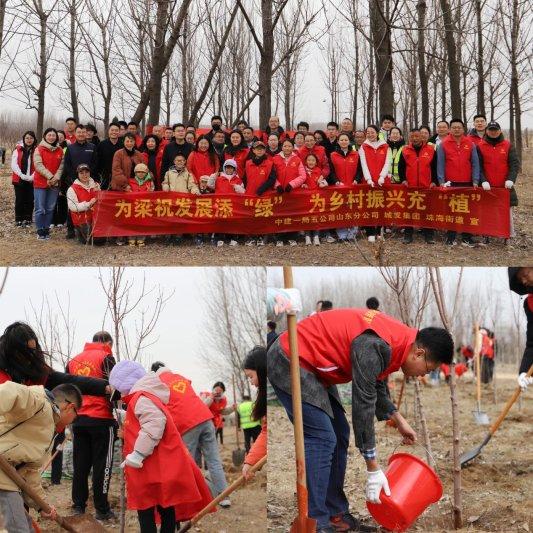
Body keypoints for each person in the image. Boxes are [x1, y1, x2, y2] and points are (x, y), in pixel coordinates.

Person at [267, 308, 454, 532]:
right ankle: (316, 521)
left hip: (313, 365)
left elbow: (375, 382)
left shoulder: (400, 342)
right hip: (290, 357)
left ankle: (335, 514)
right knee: (322, 437)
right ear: (419, 353)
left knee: (339, 432)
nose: (424, 375)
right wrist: (373, 468)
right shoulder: (376, 345)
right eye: (428, 369)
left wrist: (397, 417)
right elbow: (363, 402)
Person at [109, 361, 213, 532]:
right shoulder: (146, 397)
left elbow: (154, 423)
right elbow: (147, 418)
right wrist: (126, 415)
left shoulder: (140, 398)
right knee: (166, 506)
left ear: (125, 383)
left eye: (118, 388)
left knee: (147, 510)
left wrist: (138, 454)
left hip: (149, 468)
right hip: (158, 466)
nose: (118, 393)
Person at [0, 381, 81, 532]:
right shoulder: (39, 402)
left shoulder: (49, 428)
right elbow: (8, 390)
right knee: (19, 529)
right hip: (3, 478)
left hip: (9, 478)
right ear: (70, 407)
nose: (73, 421)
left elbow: (30, 471)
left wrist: (40, 505)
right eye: (76, 416)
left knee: (27, 528)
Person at [150, 362, 232, 508]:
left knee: (189, 463)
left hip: (187, 424)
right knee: (214, 460)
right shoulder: (179, 377)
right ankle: (224, 497)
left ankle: (196, 499)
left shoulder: (157, 383)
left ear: (153, 373)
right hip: (205, 418)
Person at [66, 331, 117, 521]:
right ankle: (102, 510)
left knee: (81, 465)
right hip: (101, 418)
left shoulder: (74, 360)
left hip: (78, 419)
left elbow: (67, 387)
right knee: (102, 466)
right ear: (107, 342)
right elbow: (114, 386)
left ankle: (78, 506)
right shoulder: (106, 357)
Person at [436, 118, 480, 247]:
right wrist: (441, 181)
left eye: (459, 127)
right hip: (451, 183)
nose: (456, 129)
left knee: (467, 210)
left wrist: (475, 180)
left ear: (463, 129)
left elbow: (475, 163)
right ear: (450, 129)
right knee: (451, 210)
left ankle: (467, 236)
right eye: (454, 127)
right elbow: (440, 164)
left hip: (467, 182)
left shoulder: (470, 143)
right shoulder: (443, 144)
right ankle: (451, 236)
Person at [477, 121, 519, 244]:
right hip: (487, 186)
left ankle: (507, 235)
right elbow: (478, 166)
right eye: (491, 130)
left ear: (499, 131)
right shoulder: (480, 146)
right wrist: (483, 181)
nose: (493, 132)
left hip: (505, 186)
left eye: (495, 129)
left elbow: (514, 164)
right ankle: (487, 234)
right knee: (487, 211)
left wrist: (511, 179)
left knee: (506, 212)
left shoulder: (508, 145)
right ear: (487, 131)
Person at [398, 128, 437, 244]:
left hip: (426, 186)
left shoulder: (431, 150)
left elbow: (434, 167)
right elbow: (401, 167)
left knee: (427, 210)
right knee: (409, 210)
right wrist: (403, 180)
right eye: (412, 136)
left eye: (417, 136)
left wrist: (434, 181)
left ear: (422, 137)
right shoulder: (405, 150)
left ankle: (429, 235)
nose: (415, 139)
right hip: (410, 186)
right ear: (409, 137)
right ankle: (408, 234)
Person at [62, 124, 98, 239]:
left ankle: (90, 227)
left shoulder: (92, 147)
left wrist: (88, 176)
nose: (81, 134)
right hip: (75, 181)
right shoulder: (70, 148)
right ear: (75, 133)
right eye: (79, 132)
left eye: (83, 132)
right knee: (73, 205)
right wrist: (75, 177)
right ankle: (71, 229)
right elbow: (67, 164)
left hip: (89, 180)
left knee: (91, 204)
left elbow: (95, 163)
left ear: (86, 133)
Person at [359, 125, 391, 242]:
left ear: (377, 133)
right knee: (369, 206)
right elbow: (364, 164)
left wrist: (382, 176)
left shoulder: (385, 146)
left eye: (372, 132)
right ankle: (370, 231)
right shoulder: (363, 147)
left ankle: (380, 231)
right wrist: (368, 179)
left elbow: (387, 162)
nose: (370, 134)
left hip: (382, 181)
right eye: (368, 132)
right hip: (369, 182)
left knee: (381, 206)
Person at [273, 139, 306, 246]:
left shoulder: (297, 159)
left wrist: (292, 184)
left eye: (289, 146)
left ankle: (292, 237)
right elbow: (271, 175)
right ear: (281, 147)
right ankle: (279, 237)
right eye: (285, 146)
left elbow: (302, 176)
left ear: (293, 147)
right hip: (279, 193)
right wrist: (277, 185)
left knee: (292, 215)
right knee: (279, 215)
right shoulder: (275, 159)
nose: (287, 148)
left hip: (293, 192)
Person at [241, 347, 267, 482]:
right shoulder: (262, 396)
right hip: (254, 427)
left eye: (251, 376)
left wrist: (250, 461)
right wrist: (250, 461)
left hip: (247, 427)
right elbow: (266, 432)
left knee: (247, 441)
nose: (251, 382)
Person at [33, 128, 64, 240]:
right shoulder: (39, 149)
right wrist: (50, 176)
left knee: (50, 208)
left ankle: (46, 229)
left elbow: (62, 166)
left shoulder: (59, 150)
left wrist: (56, 178)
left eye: (53, 135)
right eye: (49, 135)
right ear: (45, 136)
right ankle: (40, 230)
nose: (51, 137)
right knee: (40, 208)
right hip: (40, 183)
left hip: (54, 183)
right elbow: (38, 165)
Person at [508, 267, 533, 391]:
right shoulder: (530, 303)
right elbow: (532, 343)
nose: (523, 281)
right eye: (520, 279)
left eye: (525, 274)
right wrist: (524, 371)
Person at [66, 163, 100, 244]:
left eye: (86, 172)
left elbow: (101, 201)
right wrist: (88, 204)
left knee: (101, 239)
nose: (85, 175)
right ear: (77, 174)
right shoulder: (72, 189)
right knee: (92, 240)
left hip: (95, 219)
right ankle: (80, 233)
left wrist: (98, 193)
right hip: (82, 220)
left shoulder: (96, 185)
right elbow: (73, 207)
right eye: (81, 173)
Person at [302, 153, 329, 246]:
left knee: (316, 217)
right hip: (306, 198)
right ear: (306, 161)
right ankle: (307, 236)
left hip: (316, 199)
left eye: (313, 160)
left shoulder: (319, 170)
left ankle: (316, 236)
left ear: (316, 162)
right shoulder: (303, 170)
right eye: (309, 160)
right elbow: (301, 181)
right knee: (307, 217)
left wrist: (323, 184)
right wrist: (303, 185)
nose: (311, 162)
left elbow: (323, 182)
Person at [11, 130, 36, 227]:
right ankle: (19, 219)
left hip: (32, 178)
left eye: (31, 138)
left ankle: (28, 218)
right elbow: (14, 164)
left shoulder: (37, 150)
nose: (29, 140)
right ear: (23, 139)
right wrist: (22, 175)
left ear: (34, 139)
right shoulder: (18, 149)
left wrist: (32, 177)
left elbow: (38, 164)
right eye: (27, 138)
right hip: (19, 179)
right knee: (20, 199)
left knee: (30, 199)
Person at [127, 163, 155, 246]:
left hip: (144, 206)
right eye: (138, 172)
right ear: (135, 173)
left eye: (143, 172)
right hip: (133, 205)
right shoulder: (130, 181)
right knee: (131, 222)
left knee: (142, 223)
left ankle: (141, 238)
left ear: (146, 173)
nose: (140, 174)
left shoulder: (150, 183)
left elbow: (153, 193)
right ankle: (131, 238)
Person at [96, 122, 123, 190]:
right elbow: (97, 162)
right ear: (108, 131)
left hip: (120, 178)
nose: (114, 132)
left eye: (116, 130)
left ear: (119, 132)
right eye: (112, 130)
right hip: (105, 178)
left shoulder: (123, 145)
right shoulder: (101, 145)